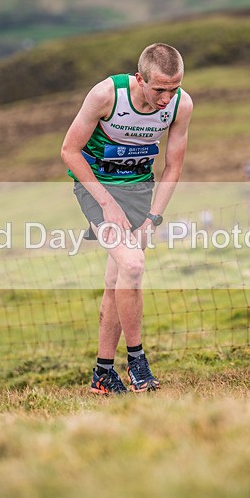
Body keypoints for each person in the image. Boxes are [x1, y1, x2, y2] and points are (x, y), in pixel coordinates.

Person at [61, 43, 194, 395]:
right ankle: (138, 363)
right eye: (159, 89)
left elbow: (174, 166)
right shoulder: (107, 95)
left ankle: (102, 376)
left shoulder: (181, 105)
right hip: (97, 191)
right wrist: (106, 203)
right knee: (133, 266)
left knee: (118, 278)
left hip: (139, 194)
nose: (166, 98)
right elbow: (69, 152)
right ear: (140, 79)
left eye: (174, 88)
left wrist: (153, 219)